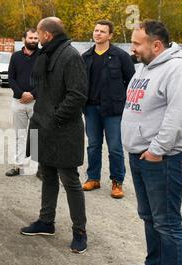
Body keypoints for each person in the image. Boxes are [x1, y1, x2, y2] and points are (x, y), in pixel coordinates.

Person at [118, 20, 182, 265]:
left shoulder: (178, 71)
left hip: (164, 159)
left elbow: (180, 115)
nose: (132, 48)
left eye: (137, 43)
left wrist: (157, 149)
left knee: (167, 223)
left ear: (156, 45)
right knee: (149, 218)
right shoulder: (144, 68)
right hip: (141, 155)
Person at [20, 17, 88, 254]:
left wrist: (55, 117)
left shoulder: (70, 56)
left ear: (47, 35)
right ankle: (46, 222)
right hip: (45, 127)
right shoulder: (47, 54)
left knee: (70, 181)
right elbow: (45, 87)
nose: (36, 39)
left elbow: (78, 95)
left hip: (64, 130)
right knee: (47, 174)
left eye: (38, 35)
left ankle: (80, 232)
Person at [81, 20, 135, 199]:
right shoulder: (86, 57)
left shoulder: (121, 56)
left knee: (115, 148)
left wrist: (124, 103)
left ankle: (117, 182)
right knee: (93, 146)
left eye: (102, 31)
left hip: (113, 111)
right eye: (96, 30)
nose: (98, 34)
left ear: (110, 35)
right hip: (91, 109)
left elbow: (131, 83)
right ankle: (93, 178)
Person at [5, 28, 41, 178]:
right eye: (31, 38)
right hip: (18, 102)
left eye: (36, 38)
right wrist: (21, 94)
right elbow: (11, 78)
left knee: (37, 134)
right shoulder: (16, 57)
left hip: (37, 102)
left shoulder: (43, 56)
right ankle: (18, 166)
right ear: (24, 39)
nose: (33, 41)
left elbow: (46, 80)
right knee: (20, 135)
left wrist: (33, 94)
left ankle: (40, 168)